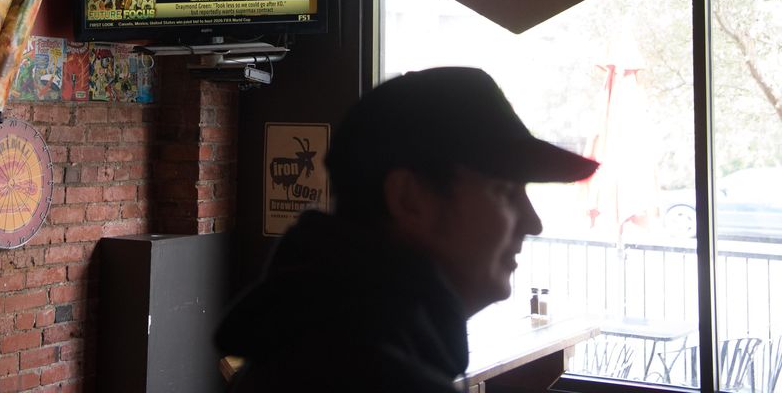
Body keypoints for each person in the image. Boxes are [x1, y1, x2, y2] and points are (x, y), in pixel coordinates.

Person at [215, 66, 598, 393]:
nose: (533, 222)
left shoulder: (303, 346)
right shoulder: (369, 376)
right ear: (409, 198)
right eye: (504, 191)